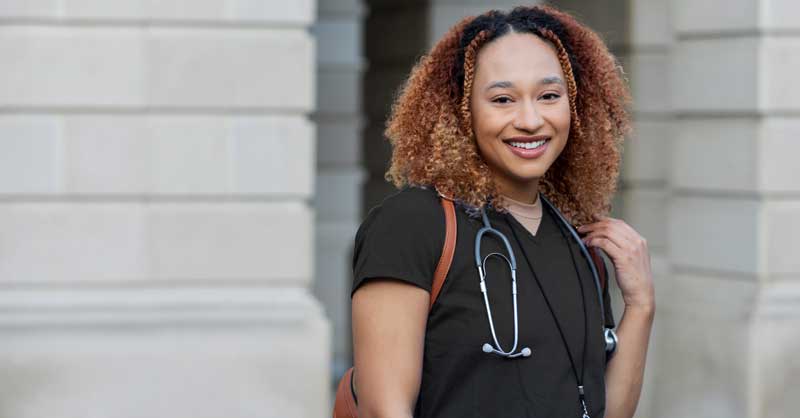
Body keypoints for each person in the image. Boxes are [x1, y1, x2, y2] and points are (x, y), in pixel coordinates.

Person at [350, 5, 655, 418]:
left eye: (549, 96)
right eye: (502, 99)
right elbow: (383, 411)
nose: (530, 120)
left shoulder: (579, 245)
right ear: (462, 112)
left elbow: (603, 412)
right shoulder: (413, 225)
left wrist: (640, 306)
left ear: (574, 105)